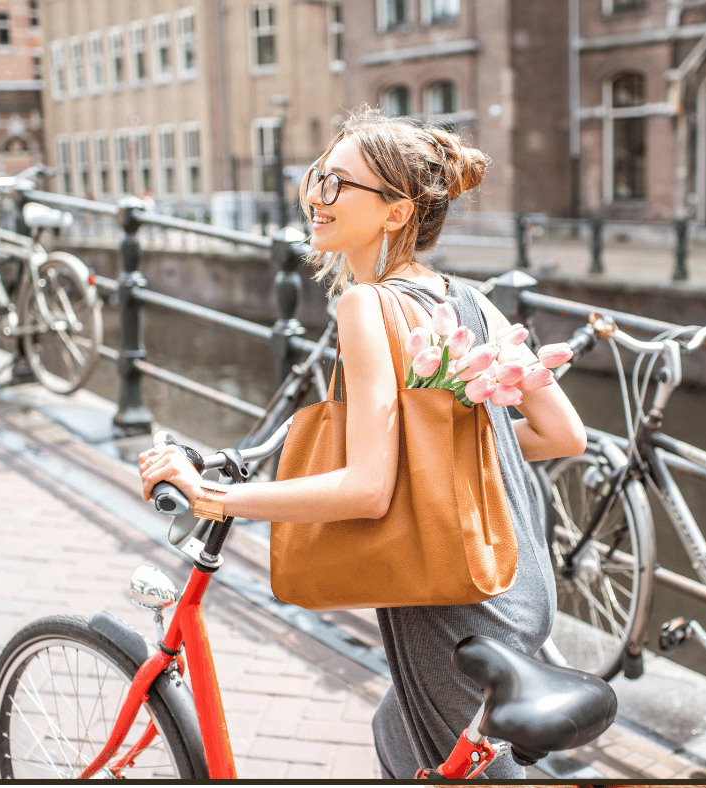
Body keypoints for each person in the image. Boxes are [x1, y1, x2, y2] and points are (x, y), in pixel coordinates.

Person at [139, 107, 586, 779]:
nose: (316, 198)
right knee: (400, 735)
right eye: (318, 177)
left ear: (396, 212)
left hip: (453, 601)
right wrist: (441, 455)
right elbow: (563, 434)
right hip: (514, 581)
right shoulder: (471, 300)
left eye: (338, 185)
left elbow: (367, 488)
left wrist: (216, 498)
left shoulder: (366, 306)